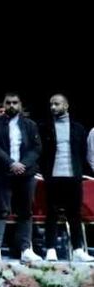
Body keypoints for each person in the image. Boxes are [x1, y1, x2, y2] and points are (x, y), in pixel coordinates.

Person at [0, 93, 42, 262]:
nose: (12, 105)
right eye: (8, 103)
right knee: (1, 210)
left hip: (26, 172)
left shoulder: (30, 124)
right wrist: (11, 163)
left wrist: (22, 164)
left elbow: (37, 148)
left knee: (25, 211)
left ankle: (26, 249)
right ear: (4, 105)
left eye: (15, 102)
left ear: (20, 105)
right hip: (3, 172)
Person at [39, 94, 93, 262]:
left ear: (66, 105)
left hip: (73, 176)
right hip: (53, 176)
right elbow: (41, 152)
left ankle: (77, 249)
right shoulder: (44, 127)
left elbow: (83, 152)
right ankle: (50, 249)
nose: (53, 107)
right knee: (51, 213)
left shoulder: (78, 128)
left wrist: (78, 171)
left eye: (57, 104)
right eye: (51, 104)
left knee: (74, 214)